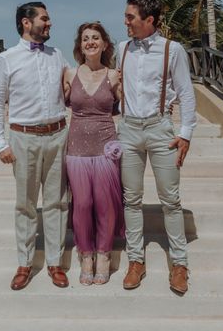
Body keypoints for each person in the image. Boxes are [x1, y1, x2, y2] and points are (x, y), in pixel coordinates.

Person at [117, 0, 197, 295]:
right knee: (132, 198)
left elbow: (186, 92)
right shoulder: (122, 49)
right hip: (129, 129)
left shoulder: (171, 50)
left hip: (160, 127)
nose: (125, 22)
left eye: (130, 17)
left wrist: (186, 132)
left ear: (149, 20)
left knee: (170, 199)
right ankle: (135, 260)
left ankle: (179, 264)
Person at [0, 1, 70, 291]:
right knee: (25, 203)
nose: (49, 24)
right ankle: (25, 263)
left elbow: (75, 87)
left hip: (58, 134)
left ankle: (54, 262)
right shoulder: (7, 59)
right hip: (23, 138)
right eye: (44, 19)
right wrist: (0, 142)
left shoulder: (58, 55)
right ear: (26, 22)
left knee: (58, 202)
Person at [63, 22, 124, 286]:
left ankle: (103, 254)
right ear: (79, 46)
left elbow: (126, 107)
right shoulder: (68, 74)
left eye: (95, 38)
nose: (90, 42)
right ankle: (85, 254)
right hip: (76, 149)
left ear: (105, 44)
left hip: (105, 147)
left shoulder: (114, 76)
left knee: (105, 204)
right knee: (83, 204)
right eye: (85, 38)